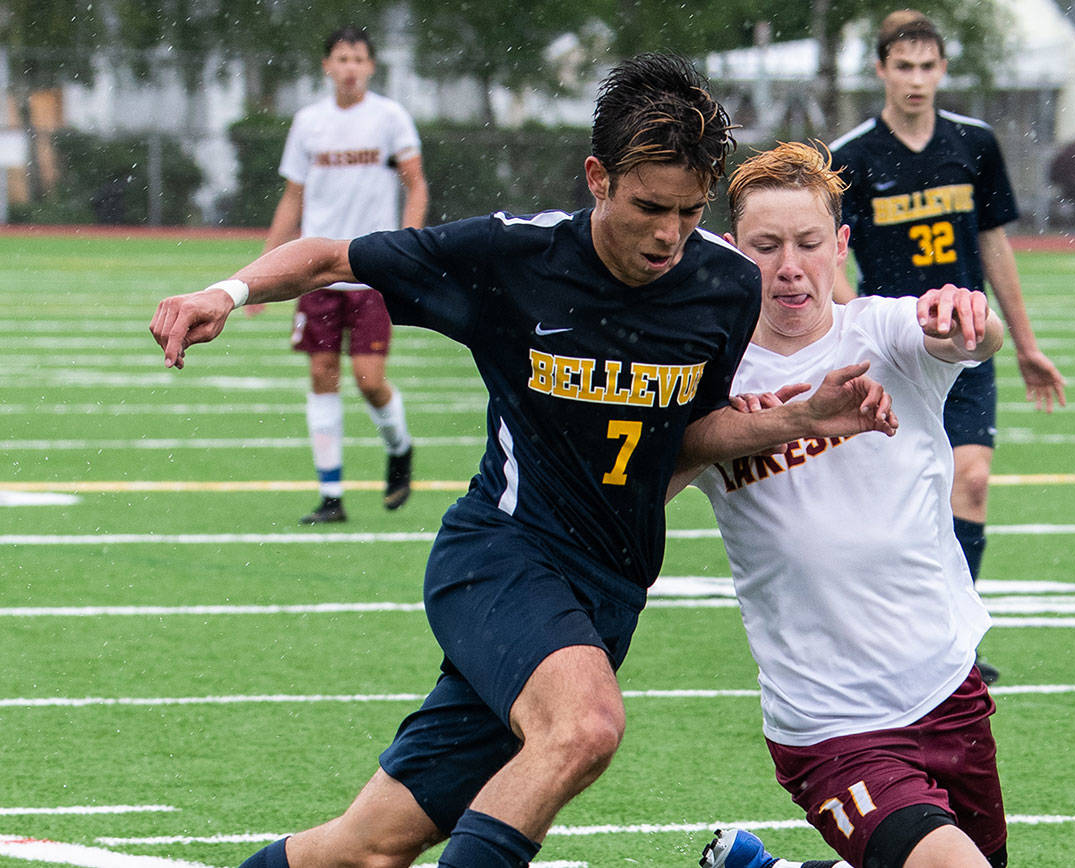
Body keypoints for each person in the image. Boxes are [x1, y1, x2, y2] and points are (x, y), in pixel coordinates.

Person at [149, 54, 897, 868]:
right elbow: (332, 256)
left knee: (368, 845)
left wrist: (797, 419)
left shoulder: (723, 284)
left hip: (608, 591)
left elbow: (679, 442)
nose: (667, 235)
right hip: (502, 556)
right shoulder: (513, 257)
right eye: (648, 207)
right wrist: (222, 294)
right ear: (596, 179)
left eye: (687, 213)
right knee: (584, 729)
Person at [679, 142, 1007, 867]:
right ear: (734, 253)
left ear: (842, 246)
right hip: (830, 725)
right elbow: (637, 489)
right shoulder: (709, 377)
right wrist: (747, 428)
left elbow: (977, 343)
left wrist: (969, 319)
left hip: (946, 685)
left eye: (808, 243)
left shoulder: (886, 332)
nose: (789, 264)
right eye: (766, 246)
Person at [829, 9, 1066, 683]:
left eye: (927, 66)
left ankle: (955, 644)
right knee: (897, 499)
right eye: (902, 66)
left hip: (965, 345)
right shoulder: (852, 157)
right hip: (897, 354)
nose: (915, 79)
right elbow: (835, 260)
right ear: (880, 70)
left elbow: (993, 246)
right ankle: (887, 632)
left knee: (974, 481)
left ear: (942, 70)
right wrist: (862, 327)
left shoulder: (974, 144)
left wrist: (1024, 344)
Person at [258, 25, 429, 524]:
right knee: (320, 373)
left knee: (369, 380)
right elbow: (294, 197)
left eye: (358, 58)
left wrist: (408, 246)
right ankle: (331, 496)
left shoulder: (390, 118)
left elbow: (415, 185)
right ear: (326, 66)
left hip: (372, 268)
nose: (350, 67)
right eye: (341, 58)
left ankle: (399, 447)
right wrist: (263, 272)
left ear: (370, 66)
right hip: (316, 272)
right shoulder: (309, 123)